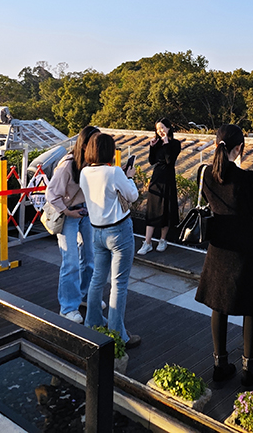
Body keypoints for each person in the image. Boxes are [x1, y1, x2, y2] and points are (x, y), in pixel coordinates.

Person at [194, 124, 253, 388]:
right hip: (246, 246)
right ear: (239, 148)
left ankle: (220, 364)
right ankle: (249, 369)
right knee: (251, 306)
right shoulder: (247, 179)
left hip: (219, 245)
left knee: (219, 303)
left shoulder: (204, 174)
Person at [80, 133, 140, 349]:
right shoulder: (114, 172)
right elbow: (132, 196)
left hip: (96, 231)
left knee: (98, 278)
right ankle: (117, 335)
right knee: (119, 284)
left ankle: (93, 322)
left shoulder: (85, 173)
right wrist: (129, 176)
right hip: (119, 231)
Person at [47, 126, 100, 323]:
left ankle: (83, 295)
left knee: (90, 257)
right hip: (67, 212)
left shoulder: (93, 163)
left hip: (85, 210)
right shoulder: (67, 165)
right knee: (70, 261)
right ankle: (68, 307)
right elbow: (51, 194)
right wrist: (69, 211)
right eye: (95, 143)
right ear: (85, 144)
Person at [139, 118, 182, 255]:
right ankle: (147, 242)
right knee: (152, 209)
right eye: (158, 129)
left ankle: (163, 240)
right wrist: (152, 147)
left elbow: (170, 161)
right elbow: (152, 161)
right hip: (157, 177)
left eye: (162, 128)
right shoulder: (157, 143)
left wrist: (166, 143)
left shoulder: (175, 144)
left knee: (166, 209)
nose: (160, 131)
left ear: (169, 128)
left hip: (168, 178)